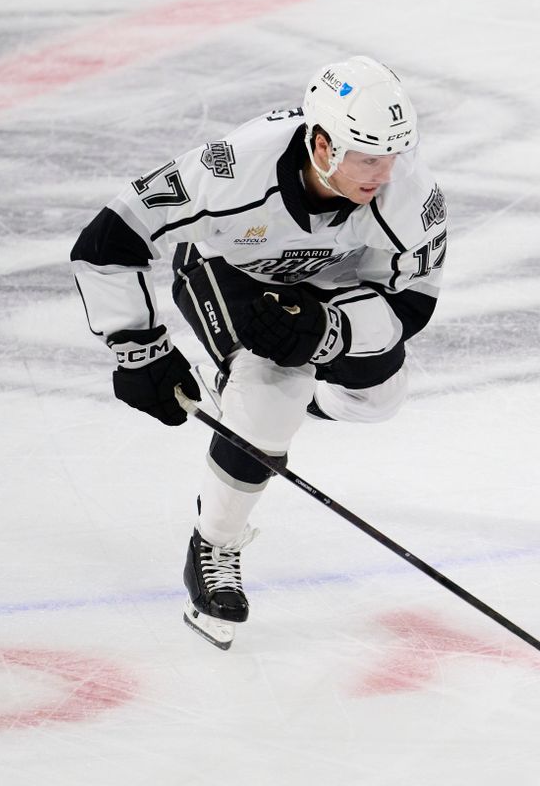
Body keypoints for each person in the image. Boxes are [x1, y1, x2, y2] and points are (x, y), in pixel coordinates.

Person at [70, 55, 447, 649]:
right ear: (322, 144)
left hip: (327, 289)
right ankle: (213, 545)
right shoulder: (231, 170)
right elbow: (107, 238)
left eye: (395, 156)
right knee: (273, 394)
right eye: (370, 158)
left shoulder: (410, 194)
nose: (386, 174)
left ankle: (280, 396)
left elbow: (413, 302)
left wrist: (331, 330)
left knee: (380, 398)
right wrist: (138, 349)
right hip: (230, 271)